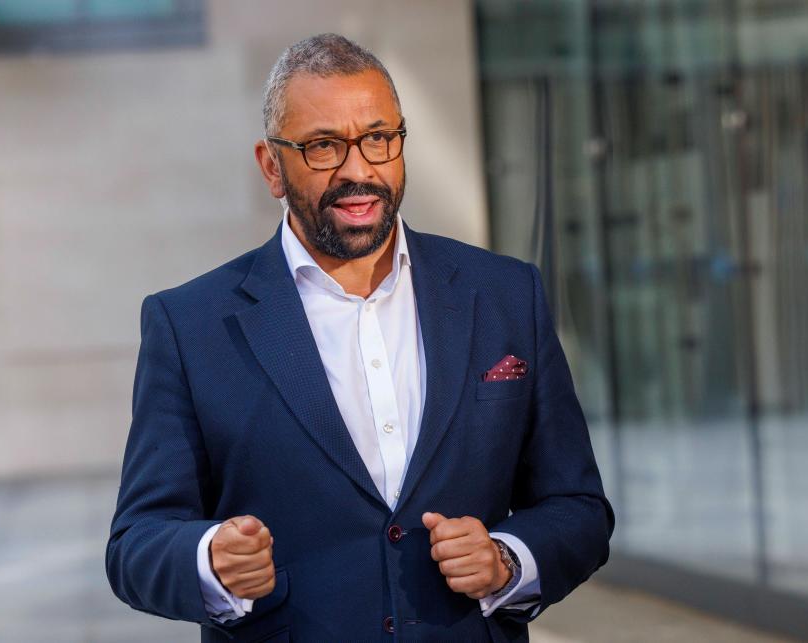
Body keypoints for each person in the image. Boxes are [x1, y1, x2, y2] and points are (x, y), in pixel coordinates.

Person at [106, 33, 613, 642]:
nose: (358, 170)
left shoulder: (506, 295)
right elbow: (136, 543)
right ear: (272, 166)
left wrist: (507, 559)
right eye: (323, 146)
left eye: (378, 139)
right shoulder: (189, 324)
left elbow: (579, 510)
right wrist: (208, 557)